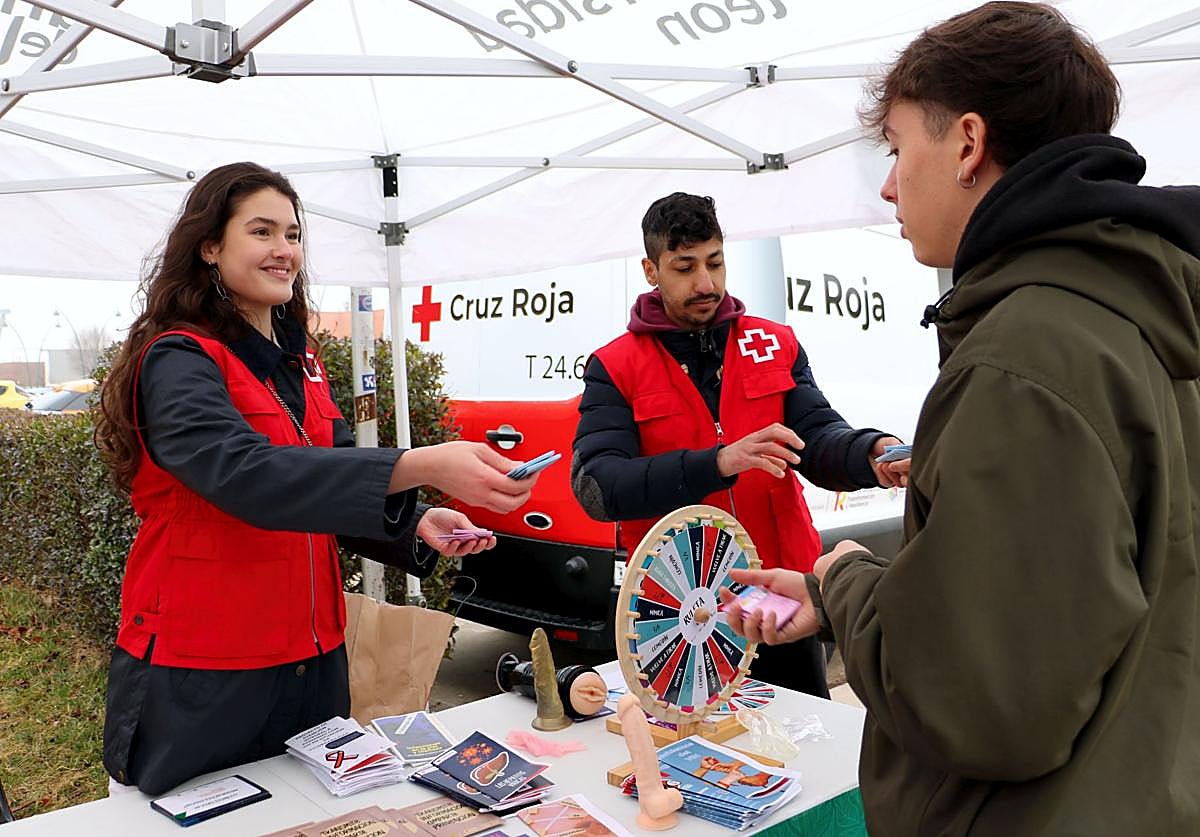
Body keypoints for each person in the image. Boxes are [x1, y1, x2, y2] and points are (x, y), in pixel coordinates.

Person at [720, 3, 1200, 834]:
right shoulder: (1142, 315)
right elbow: (1067, 604)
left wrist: (843, 579)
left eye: (900, 148)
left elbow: (980, 700)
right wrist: (836, 600)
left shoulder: (1028, 355)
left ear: (969, 144)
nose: (888, 182)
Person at [94, 162, 539, 796]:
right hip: (205, 665)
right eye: (263, 232)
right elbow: (247, 475)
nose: (284, 251)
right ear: (211, 247)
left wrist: (415, 522)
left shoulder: (299, 358)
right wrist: (421, 462)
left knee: (308, 815)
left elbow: (316, 481)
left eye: (294, 235)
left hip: (312, 660)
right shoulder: (176, 358)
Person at [571, 192, 902, 698]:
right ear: (650, 269)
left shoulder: (775, 343)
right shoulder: (614, 366)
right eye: (684, 267)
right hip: (681, 612)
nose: (706, 284)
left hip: (780, 595)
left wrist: (870, 453)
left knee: (804, 749)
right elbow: (598, 487)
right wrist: (716, 463)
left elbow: (815, 437)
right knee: (693, 760)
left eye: (715, 263)